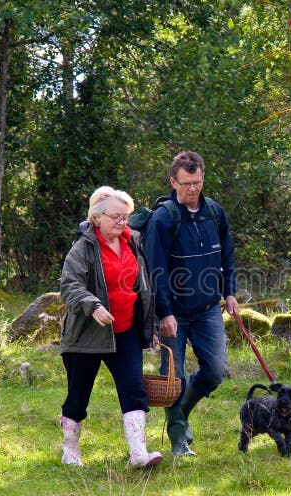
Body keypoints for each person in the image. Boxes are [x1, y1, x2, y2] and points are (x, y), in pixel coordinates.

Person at [59, 186, 162, 468]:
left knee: (134, 390)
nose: (122, 222)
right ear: (97, 218)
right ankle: (70, 451)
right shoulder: (83, 248)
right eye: (116, 217)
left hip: (125, 330)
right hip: (87, 335)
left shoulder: (132, 242)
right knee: (78, 395)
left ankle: (139, 454)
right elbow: (69, 286)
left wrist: (148, 324)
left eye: (126, 217)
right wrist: (93, 305)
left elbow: (144, 287)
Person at [144, 150, 238, 457]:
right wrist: (165, 313)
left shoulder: (215, 212)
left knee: (216, 371)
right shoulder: (163, 218)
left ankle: (181, 414)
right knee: (175, 379)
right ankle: (179, 443)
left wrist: (230, 292)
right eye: (186, 183)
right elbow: (155, 269)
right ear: (173, 181)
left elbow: (227, 255)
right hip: (174, 315)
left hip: (209, 308)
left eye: (197, 182)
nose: (192, 189)